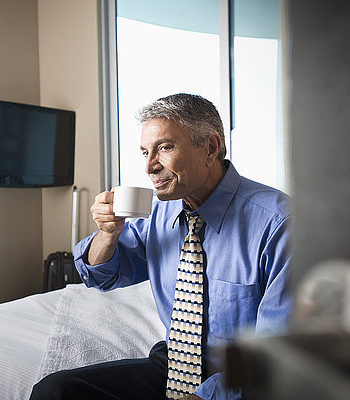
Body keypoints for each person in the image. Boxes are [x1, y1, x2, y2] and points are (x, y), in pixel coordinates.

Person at [30, 93, 291, 400]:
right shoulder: (161, 213)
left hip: (241, 378)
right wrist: (108, 234)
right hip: (172, 367)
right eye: (145, 152)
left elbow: (277, 355)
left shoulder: (279, 223)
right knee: (56, 391)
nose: (150, 166)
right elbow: (100, 275)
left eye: (165, 147)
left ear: (210, 147)